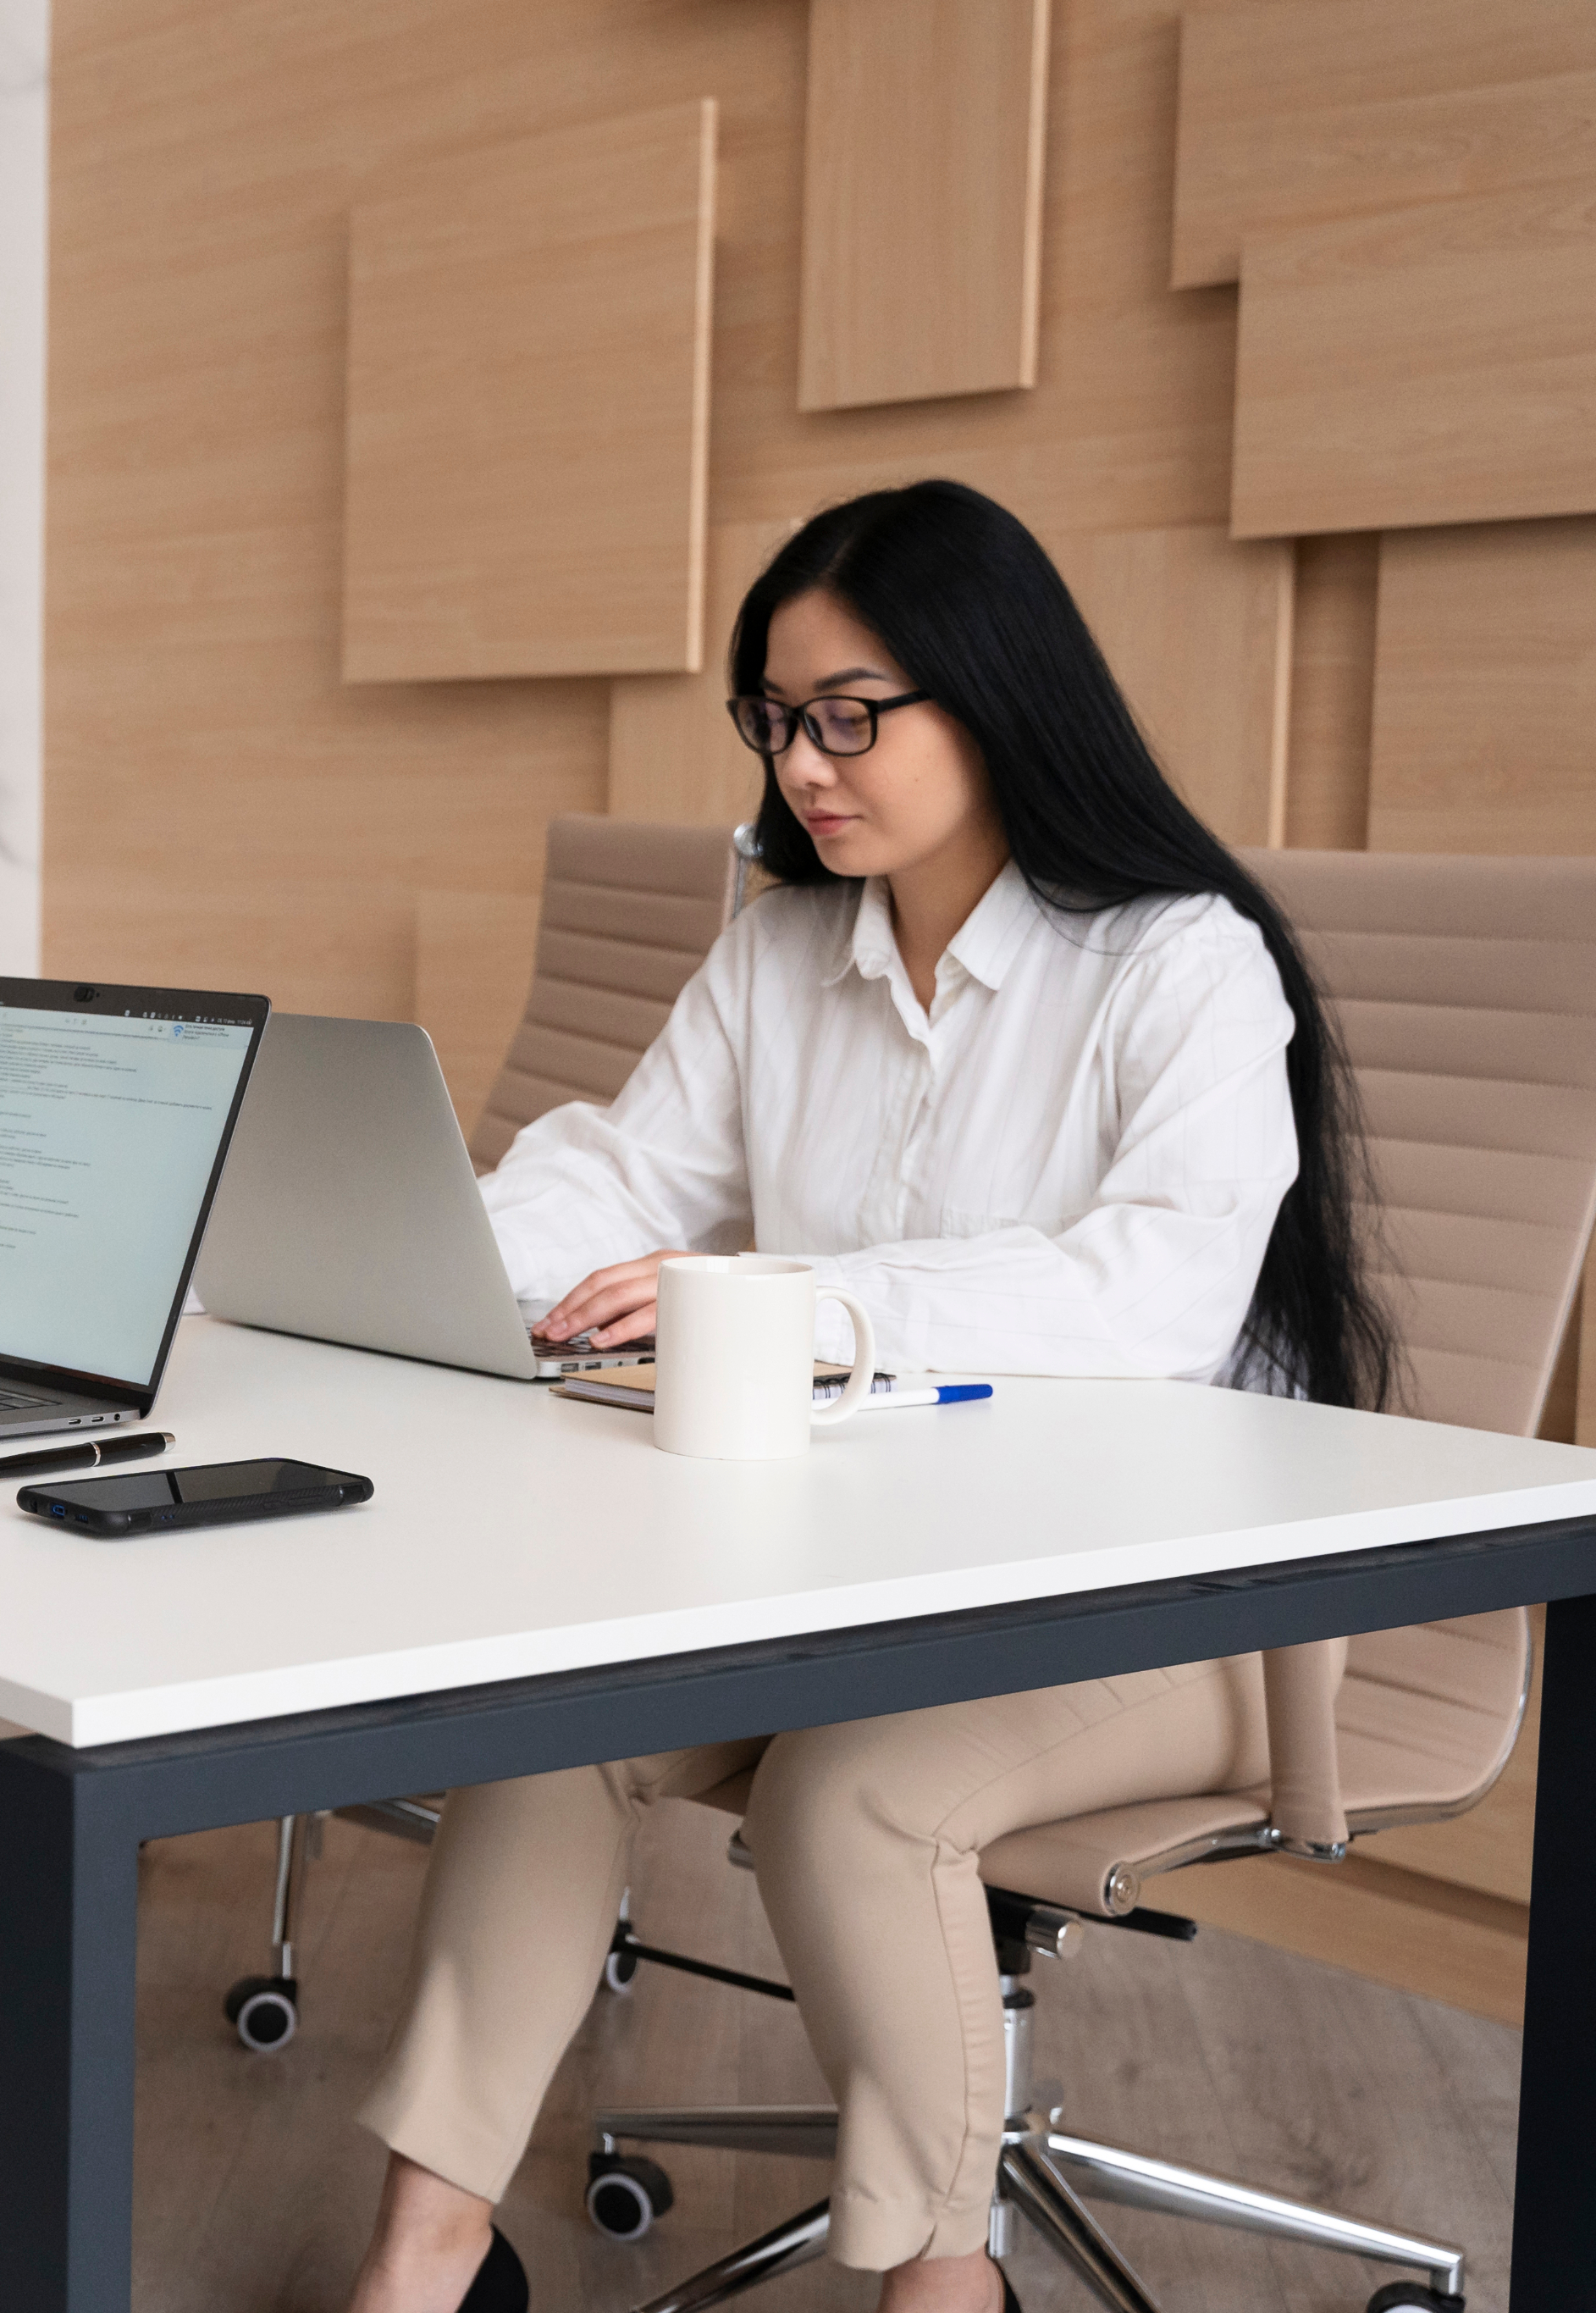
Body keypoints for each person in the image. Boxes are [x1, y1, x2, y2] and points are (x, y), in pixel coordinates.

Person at [339, 480, 1394, 2313]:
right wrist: (426, 1250)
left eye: (848, 713)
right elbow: (622, 1174)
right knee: (553, 1719)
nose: (802, 762)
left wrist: (806, 1301)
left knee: (847, 1796)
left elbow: (1154, 1291)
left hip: (1162, 1600)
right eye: (771, 716)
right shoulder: (777, 949)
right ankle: (420, 2267)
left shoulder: (1175, 961)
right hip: (853, 1576)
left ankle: (938, 2282)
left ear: (991, 696)